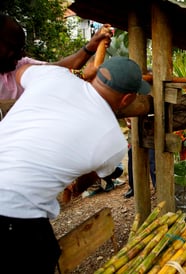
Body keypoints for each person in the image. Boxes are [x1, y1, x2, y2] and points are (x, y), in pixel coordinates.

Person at [0, 56, 150, 273]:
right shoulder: (113, 141)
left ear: (96, 74)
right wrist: (76, 187)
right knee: (42, 254)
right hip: (14, 213)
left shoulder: (53, 75)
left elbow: (21, 71)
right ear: (127, 99)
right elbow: (90, 177)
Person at [0, 13, 111, 100]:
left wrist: (91, 47)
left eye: (22, 49)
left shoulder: (23, 67)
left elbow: (58, 68)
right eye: (15, 48)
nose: (22, 55)